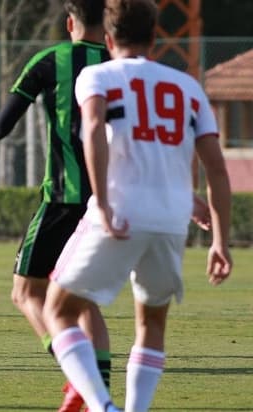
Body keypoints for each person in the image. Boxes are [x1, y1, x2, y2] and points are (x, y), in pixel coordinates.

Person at [42, 1, 232, 411]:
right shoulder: (188, 87)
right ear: (155, 38)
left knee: (57, 308)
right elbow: (216, 169)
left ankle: (101, 405)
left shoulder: (97, 75)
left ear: (108, 39)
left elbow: (93, 129)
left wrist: (105, 203)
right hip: (170, 219)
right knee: (152, 323)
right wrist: (220, 240)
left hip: (122, 212)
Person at [0, 2, 110, 410]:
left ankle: (77, 376)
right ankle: (96, 390)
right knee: (83, 298)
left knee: (25, 291)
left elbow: (7, 119)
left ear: (70, 22)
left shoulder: (50, 60)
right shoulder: (118, 65)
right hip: (108, 204)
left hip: (63, 200)